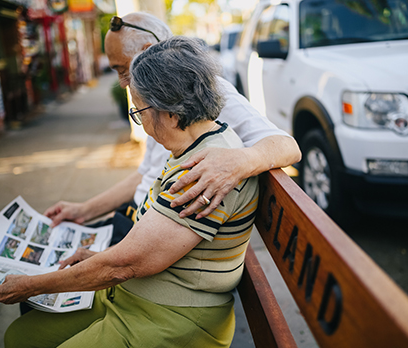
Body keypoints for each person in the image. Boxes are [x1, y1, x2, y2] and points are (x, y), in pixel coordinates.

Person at [0, 36, 260, 348]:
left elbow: (125, 265)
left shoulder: (202, 173)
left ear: (168, 112)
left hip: (169, 322)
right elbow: (144, 247)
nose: (142, 126)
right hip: (134, 300)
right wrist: (100, 254)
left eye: (139, 112)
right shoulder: (203, 143)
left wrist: (30, 285)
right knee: (20, 339)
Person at [43, 12, 301, 236]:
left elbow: (288, 147)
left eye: (123, 70)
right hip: (137, 217)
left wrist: (237, 163)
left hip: (153, 228)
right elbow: (145, 175)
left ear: (147, 52)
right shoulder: (155, 101)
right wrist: (83, 211)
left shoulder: (203, 90)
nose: (123, 82)